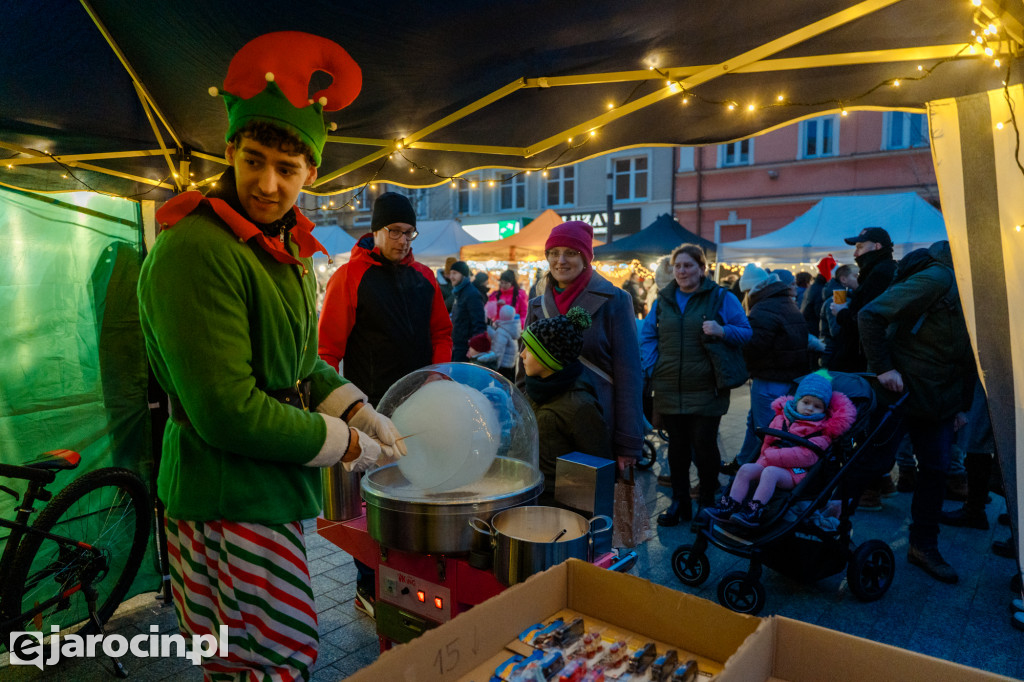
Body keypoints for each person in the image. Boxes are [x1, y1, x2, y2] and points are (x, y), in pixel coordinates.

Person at [137, 32, 403, 679]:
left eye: (288, 170)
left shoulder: (279, 247)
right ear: (229, 150)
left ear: (311, 172)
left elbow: (297, 363)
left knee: (269, 660)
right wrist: (343, 443)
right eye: (254, 160)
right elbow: (228, 411)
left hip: (264, 492)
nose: (267, 183)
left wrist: (359, 411)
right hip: (223, 499)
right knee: (263, 665)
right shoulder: (199, 248)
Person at [317, 190, 453, 618]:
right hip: (369, 411)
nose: (403, 240)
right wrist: (340, 410)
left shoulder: (425, 278)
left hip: (421, 409)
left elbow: (442, 334)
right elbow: (326, 351)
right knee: (370, 503)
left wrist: (437, 377)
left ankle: (409, 579)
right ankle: (366, 585)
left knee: (415, 493)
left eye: (409, 232)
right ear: (375, 230)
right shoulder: (348, 277)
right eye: (394, 231)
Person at [858, 240, 975, 584]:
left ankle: (923, 545)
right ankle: (833, 524)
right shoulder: (939, 277)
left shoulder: (970, 284)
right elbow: (870, 315)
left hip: (940, 400)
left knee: (936, 471)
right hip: (900, 392)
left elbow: (970, 351)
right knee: (872, 463)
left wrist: (962, 405)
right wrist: (882, 369)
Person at [640, 244, 751, 526]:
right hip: (669, 385)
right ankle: (680, 502)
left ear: (702, 269)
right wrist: (653, 365)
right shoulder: (663, 300)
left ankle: (707, 502)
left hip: (706, 386)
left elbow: (746, 332)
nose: (681, 271)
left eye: (688, 265)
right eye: (677, 266)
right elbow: (647, 336)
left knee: (703, 445)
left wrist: (722, 330)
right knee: (677, 447)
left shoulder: (721, 298)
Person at [520, 221, 644, 472]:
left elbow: (629, 375)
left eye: (571, 252)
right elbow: (523, 372)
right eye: (554, 253)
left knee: (591, 502)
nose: (561, 260)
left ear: (586, 257)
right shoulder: (536, 305)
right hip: (547, 425)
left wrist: (628, 444)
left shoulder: (616, 301)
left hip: (596, 424)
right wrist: (522, 426)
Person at [706, 372, 855, 528]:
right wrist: (761, 461)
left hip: (796, 472)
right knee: (745, 469)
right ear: (797, 400)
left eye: (817, 406)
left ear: (824, 410)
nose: (810, 409)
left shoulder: (822, 431)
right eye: (806, 402)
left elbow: (807, 457)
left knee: (770, 473)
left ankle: (755, 510)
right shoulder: (781, 418)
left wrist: (771, 456)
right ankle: (731, 504)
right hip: (770, 462)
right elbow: (767, 442)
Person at [830, 227, 899, 509]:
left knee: (865, 425)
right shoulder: (876, 272)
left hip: (865, 363)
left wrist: (842, 313)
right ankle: (880, 482)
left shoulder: (881, 272)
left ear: (877, 246)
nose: (855, 252)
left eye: (860, 246)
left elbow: (867, 319)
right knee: (868, 426)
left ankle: (869, 487)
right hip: (862, 360)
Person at [520, 306, 613, 505]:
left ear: (550, 358)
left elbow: (597, 464)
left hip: (561, 508)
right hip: (531, 497)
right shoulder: (534, 391)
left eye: (530, 349)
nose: (522, 355)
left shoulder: (580, 406)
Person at [733, 264, 809, 467]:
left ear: (750, 290)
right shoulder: (785, 302)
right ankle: (743, 461)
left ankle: (763, 474)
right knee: (755, 423)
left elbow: (754, 345)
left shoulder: (762, 309)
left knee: (768, 431)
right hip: (789, 377)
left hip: (770, 379)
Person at [472, 303, 521, 382]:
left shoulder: (502, 332)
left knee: (502, 385)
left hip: (502, 366)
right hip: (511, 364)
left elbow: (498, 352)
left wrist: (495, 369)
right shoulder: (513, 328)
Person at [450, 260, 486, 361]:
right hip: (457, 345)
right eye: (451, 273)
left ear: (464, 275)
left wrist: (474, 347)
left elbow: (479, 323)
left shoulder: (471, 294)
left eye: (455, 273)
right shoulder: (459, 293)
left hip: (465, 348)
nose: (451, 277)